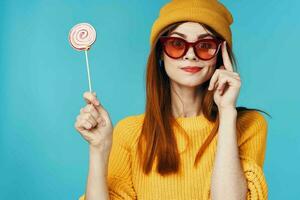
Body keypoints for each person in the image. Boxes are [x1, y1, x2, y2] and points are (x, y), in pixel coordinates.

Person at [75, 0, 269, 199]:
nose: (191, 55)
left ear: (220, 55)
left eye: (205, 45)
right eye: (177, 44)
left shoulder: (248, 125)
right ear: (160, 53)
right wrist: (99, 149)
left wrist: (227, 113)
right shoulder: (130, 132)